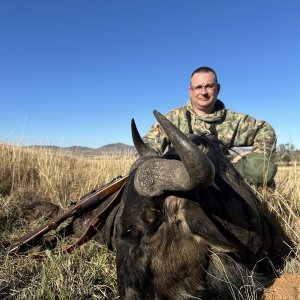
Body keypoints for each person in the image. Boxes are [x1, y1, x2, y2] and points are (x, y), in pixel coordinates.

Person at [143, 66, 277, 187]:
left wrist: (258, 154)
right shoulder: (173, 118)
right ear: (191, 91)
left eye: (209, 86)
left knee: (258, 167)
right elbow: (148, 146)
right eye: (198, 87)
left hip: (224, 178)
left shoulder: (234, 120)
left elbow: (265, 130)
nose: (203, 92)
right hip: (184, 179)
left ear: (218, 89)